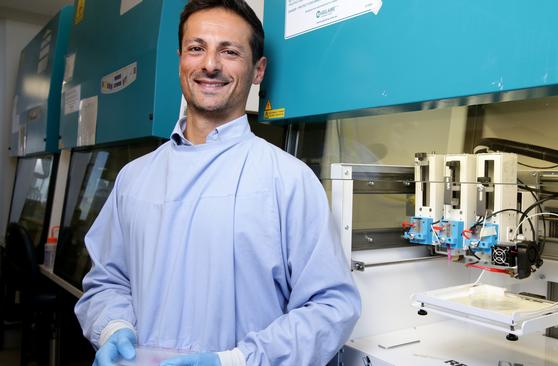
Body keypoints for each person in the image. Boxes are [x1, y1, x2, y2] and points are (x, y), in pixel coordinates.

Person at [74, 0, 361, 365]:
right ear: (181, 59)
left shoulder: (289, 180)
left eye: (229, 51)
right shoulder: (134, 178)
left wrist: (236, 361)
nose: (210, 64)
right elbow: (107, 281)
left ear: (258, 70)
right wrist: (112, 326)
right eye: (197, 48)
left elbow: (331, 307)